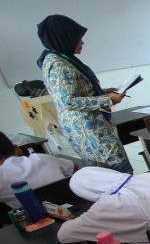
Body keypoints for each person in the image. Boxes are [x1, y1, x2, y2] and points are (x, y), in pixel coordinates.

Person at [37, 14, 131, 173]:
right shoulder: (58, 64)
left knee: (112, 169)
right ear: (63, 38)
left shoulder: (64, 58)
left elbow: (78, 89)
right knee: (117, 171)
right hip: (87, 128)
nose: (82, 43)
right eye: (77, 39)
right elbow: (68, 101)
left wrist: (105, 92)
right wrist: (107, 99)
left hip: (91, 125)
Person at [0, 132, 74, 208]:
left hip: (35, 218)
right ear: (18, 149)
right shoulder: (40, 158)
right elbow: (73, 167)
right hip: (75, 204)